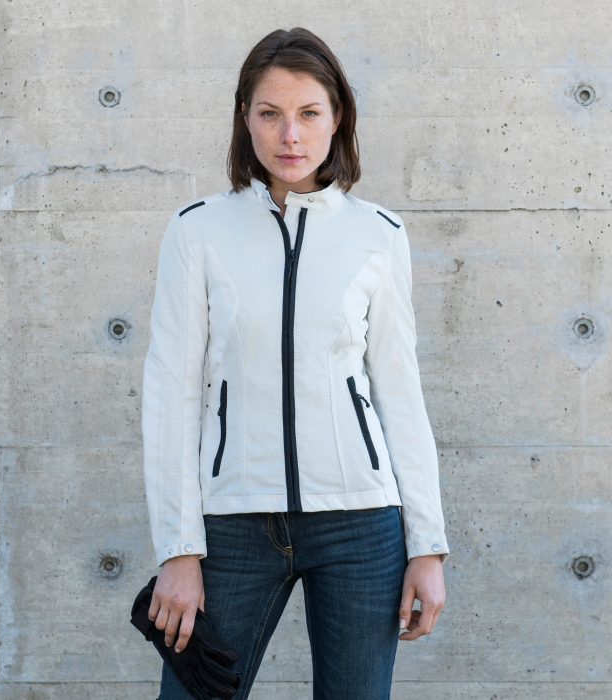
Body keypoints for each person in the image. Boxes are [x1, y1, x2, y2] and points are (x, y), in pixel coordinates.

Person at [141, 27, 449, 700]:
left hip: (360, 526)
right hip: (231, 527)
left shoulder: (378, 235)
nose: (290, 135)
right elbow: (169, 395)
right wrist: (178, 549)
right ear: (244, 118)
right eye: (269, 113)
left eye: (309, 112)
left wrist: (427, 546)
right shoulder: (197, 232)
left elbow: (400, 393)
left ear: (337, 118)